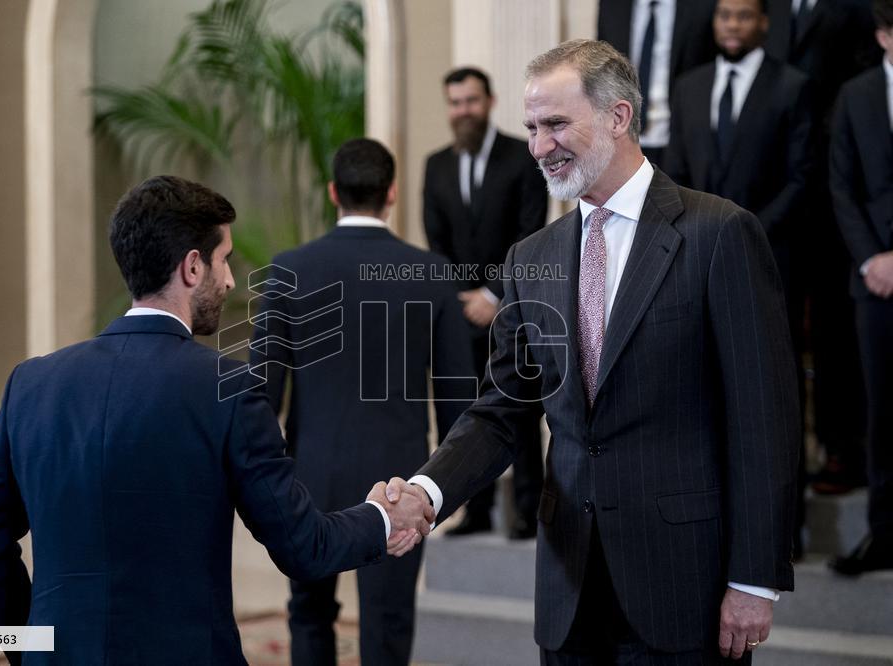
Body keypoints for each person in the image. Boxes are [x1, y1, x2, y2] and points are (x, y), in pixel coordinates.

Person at [389, 40, 800, 662]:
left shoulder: (719, 234)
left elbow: (763, 420)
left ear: (618, 117)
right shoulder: (531, 258)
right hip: (568, 588)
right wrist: (427, 492)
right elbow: (500, 411)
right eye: (531, 128)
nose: (538, 146)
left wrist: (753, 578)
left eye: (556, 124)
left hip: (685, 585)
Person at [0, 175, 431, 666]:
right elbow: (303, 547)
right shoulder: (229, 388)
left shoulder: (31, 384)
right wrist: (383, 518)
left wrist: (34, 648)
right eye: (223, 261)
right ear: (193, 266)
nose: (227, 280)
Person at [250, 139, 472, 666]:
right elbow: (460, 402)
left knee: (307, 612)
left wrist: (264, 480)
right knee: (389, 622)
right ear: (392, 193)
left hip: (309, 475)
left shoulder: (288, 271)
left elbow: (260, 397)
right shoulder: (432, 273)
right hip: (401, 481)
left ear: (333, 192)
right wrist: (449, 492)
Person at [423, 66, 547, 539]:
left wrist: (495, 293)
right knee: (464, 411)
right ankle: (473, 512)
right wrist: (463, 298)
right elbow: (436, 239)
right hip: (460, 313)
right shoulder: (435, 164)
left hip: (514, 308)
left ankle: (529, 509)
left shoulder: (524, 154)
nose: (463, 112)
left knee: (518, 403)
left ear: (490, 101)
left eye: (470, 101)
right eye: (455, 103)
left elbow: (531, 229)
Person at [764, 0, 881, 496]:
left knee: (834, 325)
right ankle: (784, 451)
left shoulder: (856, 7)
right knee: (776, 322)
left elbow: (865, 72)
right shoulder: (764, 6)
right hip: (775, 174)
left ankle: (840, 448)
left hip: (834, 171)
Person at [664, 0, 813, 357]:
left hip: (769, 250)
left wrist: (751, 229)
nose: (732, 25)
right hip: (697, 250)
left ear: (763, 22)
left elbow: (801, 177)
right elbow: (676, 170)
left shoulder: (792, 86)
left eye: (743, 16)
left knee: (768, 357)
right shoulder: (689, 86)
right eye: (725, 16)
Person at [828, 0, 893, 576]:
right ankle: (883, 531)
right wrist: (874, 257)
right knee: (880, 410)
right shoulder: (857, 94)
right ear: (882, 36)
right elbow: (840, 185)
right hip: (874, 280)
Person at [597, 0, 718, 167]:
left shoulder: (703, 6)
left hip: (680, 141)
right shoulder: (612, 5)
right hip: (623, 137)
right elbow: (602, 67)